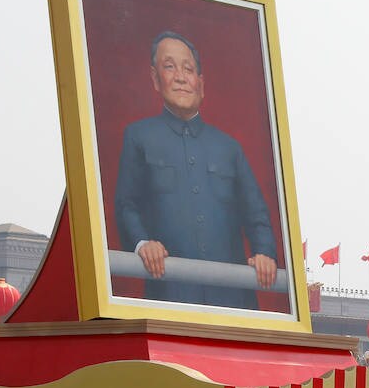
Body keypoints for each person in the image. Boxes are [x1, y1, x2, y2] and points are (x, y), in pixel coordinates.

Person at [114, 31, 280, 309]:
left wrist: (264, 252)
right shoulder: (139, 137)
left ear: (201, 84)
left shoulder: (229, 148)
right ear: (155, 78)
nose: (180, 76)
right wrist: (142, 243)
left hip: (232, 302)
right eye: (170, 67)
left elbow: (257, 215)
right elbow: (126, 205)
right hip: (169, 296)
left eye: (188, 69)